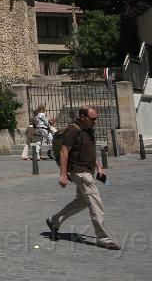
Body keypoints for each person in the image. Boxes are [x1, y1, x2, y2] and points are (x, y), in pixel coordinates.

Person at [46, 107, 119, 250]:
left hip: (88, 171)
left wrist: (98, 167)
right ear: (82, 117)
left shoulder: (89, 130)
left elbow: (90, 150)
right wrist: (62, 175)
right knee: (95, 201)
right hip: (79, 172)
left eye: (96, 118)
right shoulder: (73, 130)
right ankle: (103, 238)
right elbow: (64, 152)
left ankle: (55, 221)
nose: (95, 121)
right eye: (93, 119)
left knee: (82, 202)